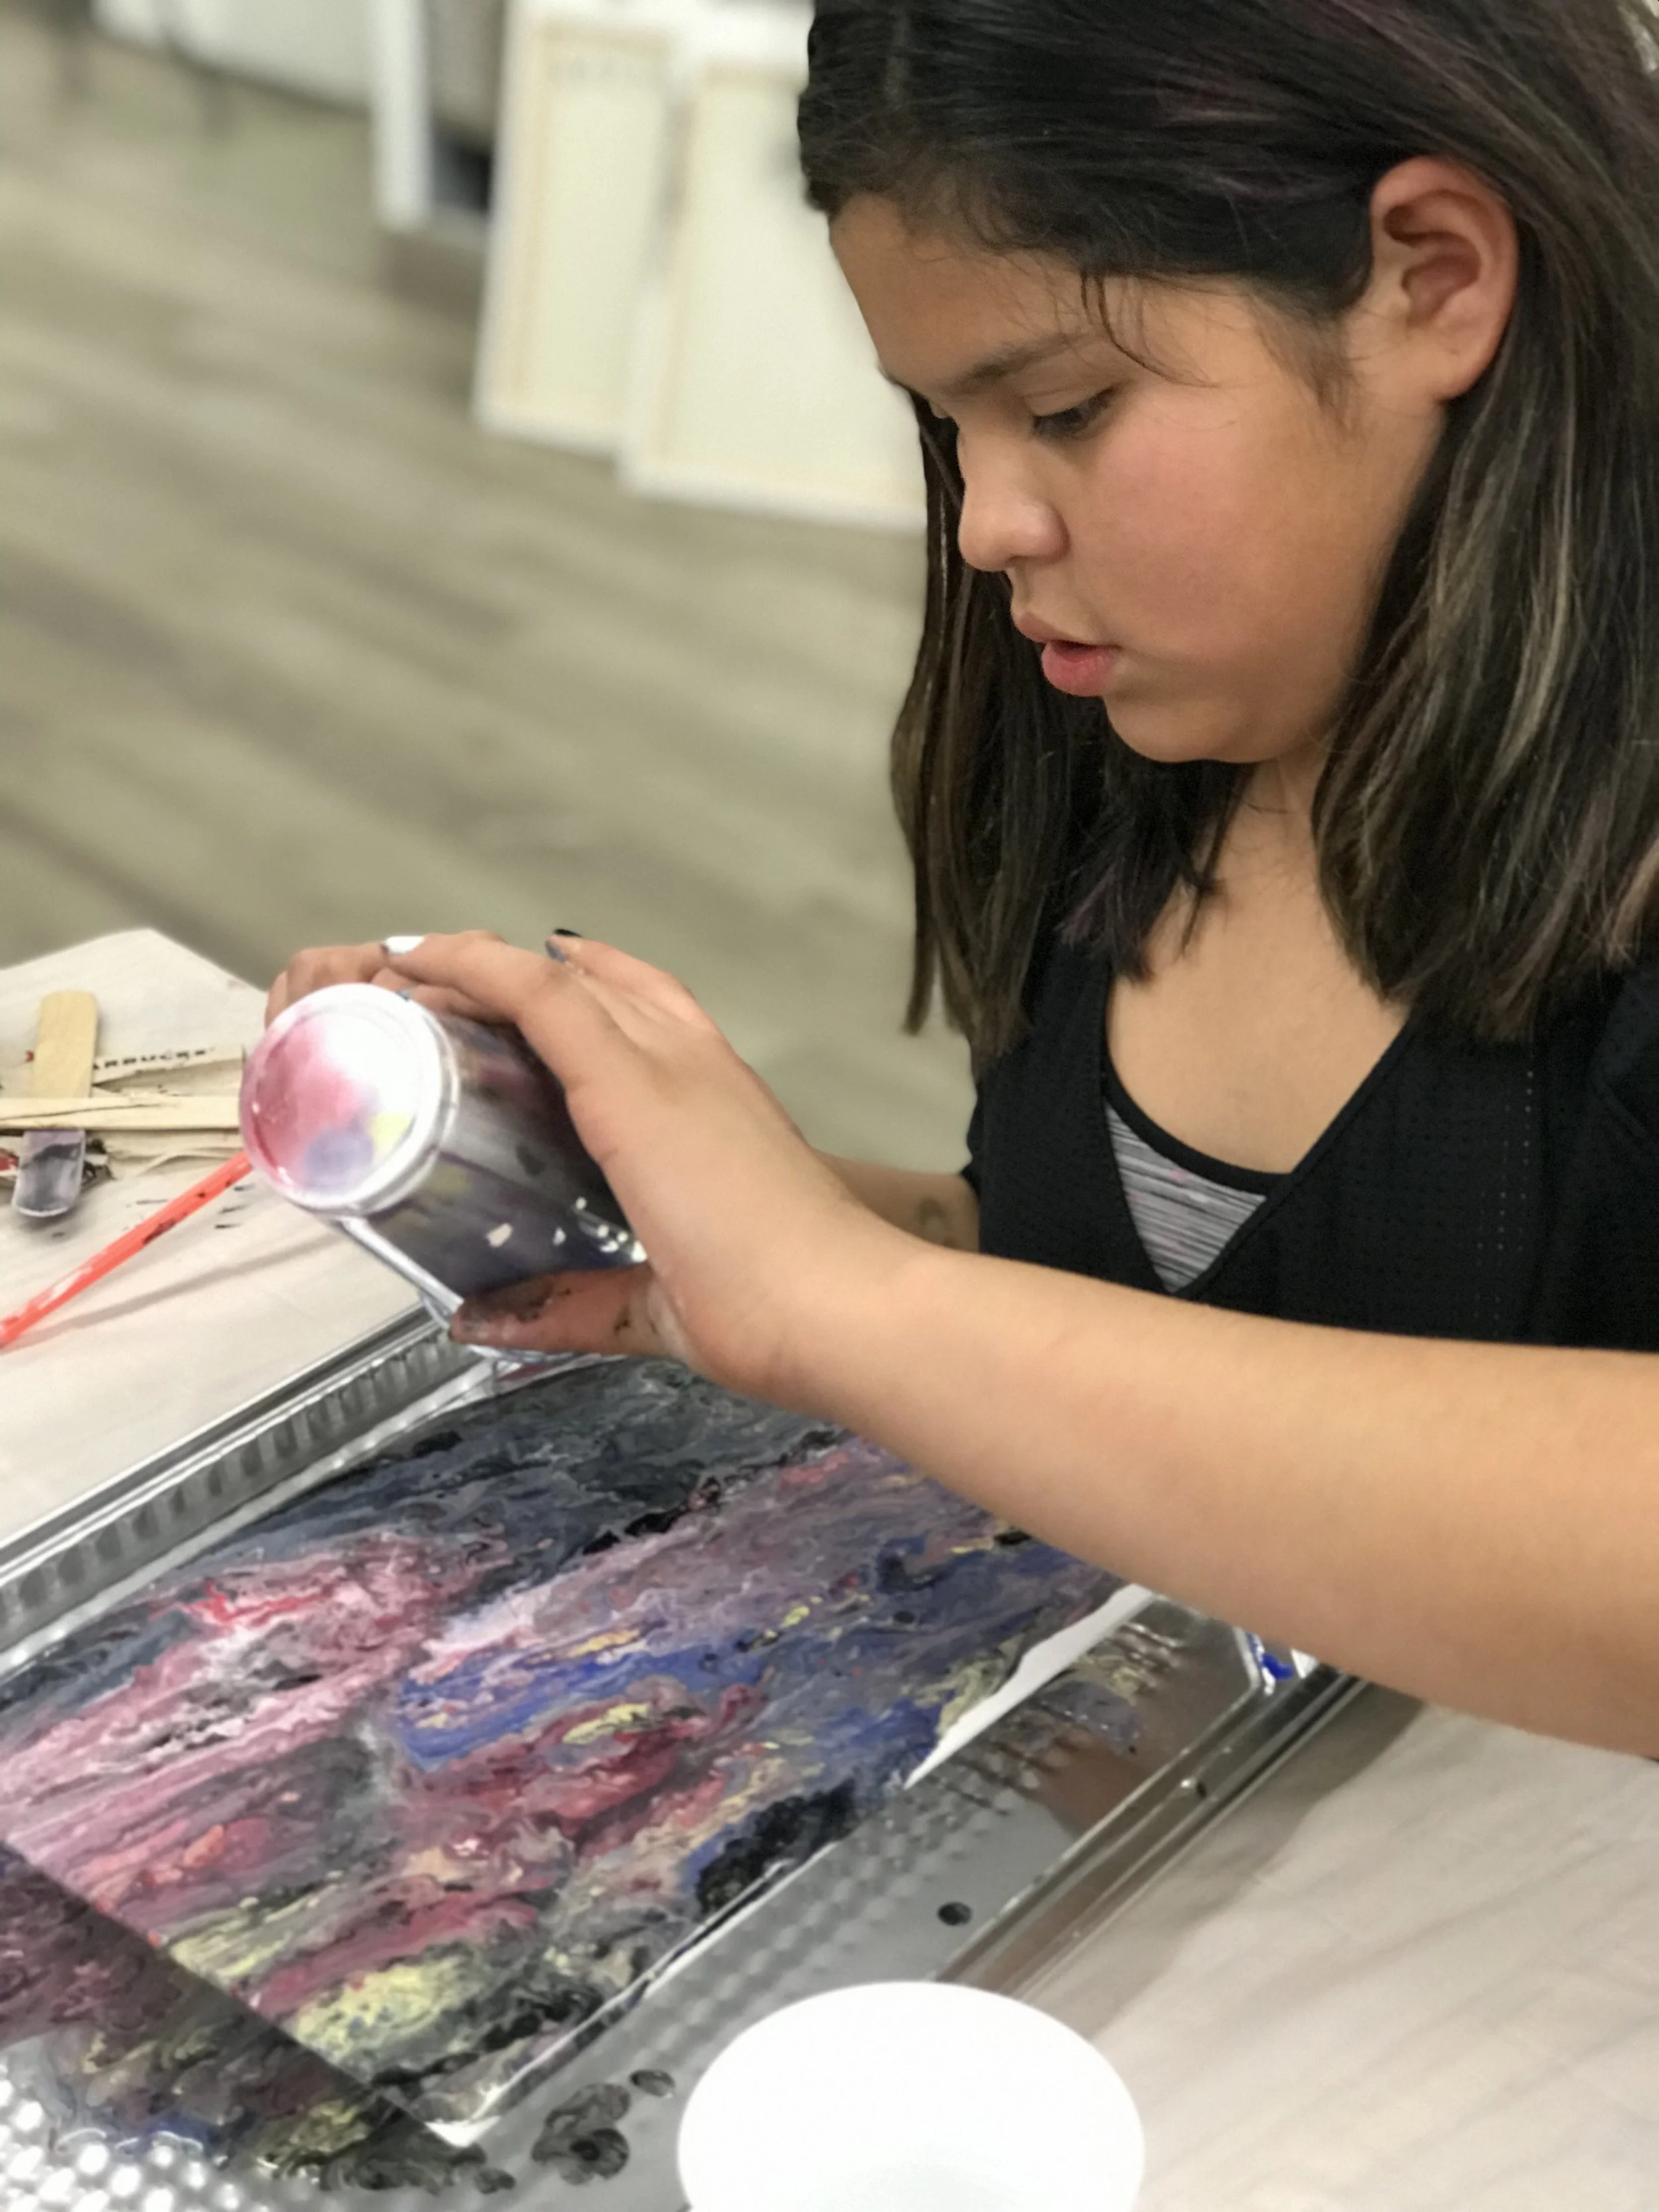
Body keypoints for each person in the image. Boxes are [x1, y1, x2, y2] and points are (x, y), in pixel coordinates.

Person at [269, 0, 1659, 1755]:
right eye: (947, 429)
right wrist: (681, 1188)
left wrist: (861, 1306)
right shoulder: (1139, 725)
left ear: (1432, 277)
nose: (987, 522)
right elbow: (1105, 1284)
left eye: (1065, 407)